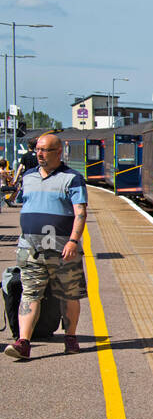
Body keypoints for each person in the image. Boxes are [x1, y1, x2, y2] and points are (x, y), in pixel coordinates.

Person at [5, 134, 88, 360]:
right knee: (29, 294)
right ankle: (23, 342)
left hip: (63, 251)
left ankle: (70, 337)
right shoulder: (29, 176)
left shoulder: (73, 179)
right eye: (38, 150)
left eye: (44, 150)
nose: (39, 154)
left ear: (58, 153)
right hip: (31, 250)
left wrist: (73, 241)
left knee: (68, 295)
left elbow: (80, 213)